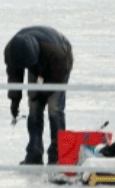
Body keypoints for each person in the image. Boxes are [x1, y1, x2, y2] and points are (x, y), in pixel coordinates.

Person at [5, 26, 73, 166]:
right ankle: (34, 154)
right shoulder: (12, 51)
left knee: (55, 109)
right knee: (34, 108)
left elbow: (58, 75)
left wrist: (43, 93)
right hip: (36, 67)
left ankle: (57, 156)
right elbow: (14, 76)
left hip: (60, 64)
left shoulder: (57, 53)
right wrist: (15, 99)